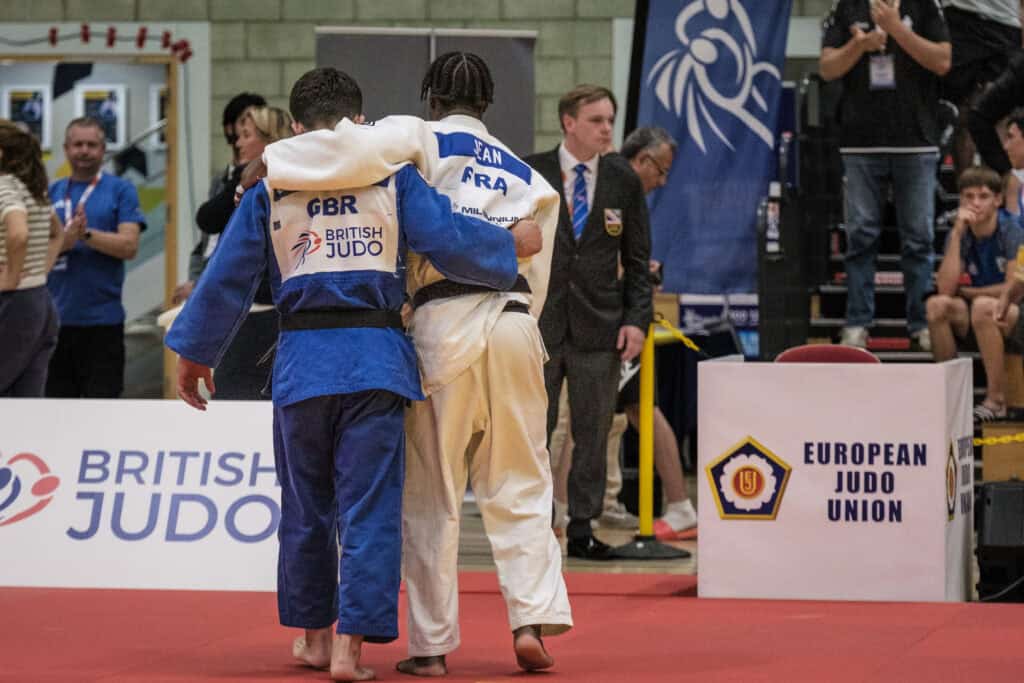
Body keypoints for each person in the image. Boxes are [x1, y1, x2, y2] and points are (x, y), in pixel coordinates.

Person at [166, 66, 540, 682]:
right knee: (369, 510)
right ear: (361, 122)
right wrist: (511, 243)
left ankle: (314, 640)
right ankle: (349, 650)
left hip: (303, 366)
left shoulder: (271, 184)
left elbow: (228, 276)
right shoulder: (391, 176)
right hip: (374, 364)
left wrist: (195, 352)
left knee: (306, 509)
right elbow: (447, 239)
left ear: (294, 126)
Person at [261, 51, 571, 677]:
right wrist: (512, 325)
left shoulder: (414, 136)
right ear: (489, 103)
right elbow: (536, 268)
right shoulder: (531, 177)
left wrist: (267, 164)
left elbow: (333, 149)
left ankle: (430, 648)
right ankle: (530, 621)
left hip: (441, 322)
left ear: (431, 99)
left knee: (432, 495)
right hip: (515, 321)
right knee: (522, 483)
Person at [524, 84, 653, 560]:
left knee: (594, 430)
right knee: (534, 431)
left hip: (601, 323)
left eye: (610, 120)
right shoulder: (532, 172)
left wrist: (637, 320)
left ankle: (582, 526)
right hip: (541, 323)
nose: (606, 129)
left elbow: (638, 260)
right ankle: (534, 524)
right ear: (569, 122)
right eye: (596, 120)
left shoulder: (622, 178)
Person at [550, 127, 697, 539]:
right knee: (599, 417)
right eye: (660, 171)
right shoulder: (606, 183)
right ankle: (569, 508)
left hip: (612, 325)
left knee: (614, 413)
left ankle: (564, 509)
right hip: (597, 323)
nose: (662, 181)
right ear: (642, 160)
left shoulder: (617, 188)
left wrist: (636, 274)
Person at [820, 0, 951, 351]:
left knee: (919, 239)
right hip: (860, 142)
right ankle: (858, 323)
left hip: (915, 140)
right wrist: (859, 46)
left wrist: (896, 29)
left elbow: (943, 61)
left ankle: (921, 323)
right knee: (860, 237)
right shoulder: (848, 6)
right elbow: (828, 68)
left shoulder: (924, 5)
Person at [196, 105, 293, 400]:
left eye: (246, 135)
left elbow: (208, 218)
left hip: (267, 309)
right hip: (264, 308)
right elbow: (208, 219)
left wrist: (242, 182)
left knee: (243, 397)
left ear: (269, 139)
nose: (238, 143)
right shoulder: (249, 180)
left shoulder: (278, 181)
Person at [46, 116, 146, 398]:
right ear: (66, 149)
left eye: (91, 145)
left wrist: (85, 235)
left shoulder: (121, 190)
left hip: (103, 325)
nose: (84, 151)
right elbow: (34, 253)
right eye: (78, 144)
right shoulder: (50, 192)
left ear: (103, 150)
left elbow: (129, 246)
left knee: (103, 411)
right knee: (54, 413)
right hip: (53, 325)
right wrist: (64, 242)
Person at [927, 166, 1023, 421]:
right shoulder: (961, 233)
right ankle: (951, 396)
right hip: (983, 314)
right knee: (937, 306)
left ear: (998, 200)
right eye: (968, 197)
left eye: (983, 196)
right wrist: (957, 233)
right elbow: (946, 289)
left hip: (1016, 311)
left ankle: (996, 400)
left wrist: (970, 292)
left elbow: (1013, 289)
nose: (975, 203)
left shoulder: (1011, 229)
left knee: (982, 306)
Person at [172, 92, 266, 305]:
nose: (241, 141)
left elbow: (240, 249)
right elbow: (206, 238)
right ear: (230, 129)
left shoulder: (260, 182)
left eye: (248, 132)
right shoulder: (222, 178)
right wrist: (196, 277)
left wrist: (201, 284)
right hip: (211, 273)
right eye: (241, 127)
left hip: (233, 283)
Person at [0, 120, 62, 396]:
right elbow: (57, 233)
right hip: (39, 299)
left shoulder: (4, 186)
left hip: (12, 303)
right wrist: (40, 270)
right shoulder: (32, 189)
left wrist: (11, 279)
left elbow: (18, 233)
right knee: (25, 402)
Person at [939, 1, 1022, 174]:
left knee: (1001, 112)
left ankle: (1005, 183)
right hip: (959, 15)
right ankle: (967, 186)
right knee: (961, 113)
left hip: (1005, 19)